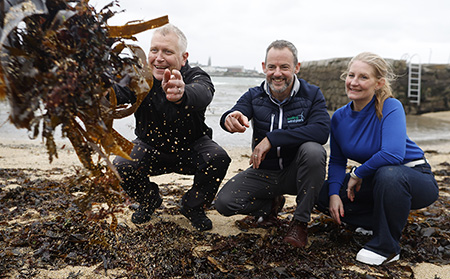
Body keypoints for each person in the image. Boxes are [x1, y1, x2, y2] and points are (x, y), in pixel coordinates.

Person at [315, 52, 439, 265]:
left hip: (414, 177)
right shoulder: (338, 118)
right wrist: (335, 194)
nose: (354, 82)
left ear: (379, 83)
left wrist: (358, 173)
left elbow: (393, 154)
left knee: (388, 173)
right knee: (322, 193)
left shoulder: (391, 106)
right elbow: (337, 161)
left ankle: (387, 246)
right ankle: (378, 223)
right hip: (375, 178)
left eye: (363, 77)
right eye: (351, 75)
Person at [111, 24, 231, 231]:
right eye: (154, 50)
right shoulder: (137, 77)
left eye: (168, 52)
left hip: (192, 147)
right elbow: (115, 94)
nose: (159, 57)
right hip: (150, 147)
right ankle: (149, 200)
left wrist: (182, 94)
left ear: (184, 57)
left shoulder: (195, 75)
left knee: (219, 158)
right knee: (121, 164)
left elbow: (203, 93)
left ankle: (193, 206)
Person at [214, 40, 330, 248]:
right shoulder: (254, 95)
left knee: (314, 150)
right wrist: (230, 117)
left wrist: (272, 138)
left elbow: (321, 131)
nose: (277, 73)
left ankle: (300, 223)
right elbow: (234, 112)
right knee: (224, 203)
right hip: (264, 172)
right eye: (272, 67)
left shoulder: (312, 94)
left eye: (284, 67)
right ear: (263, 67)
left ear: (296, 67)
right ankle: (269, 206)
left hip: (297, 174)